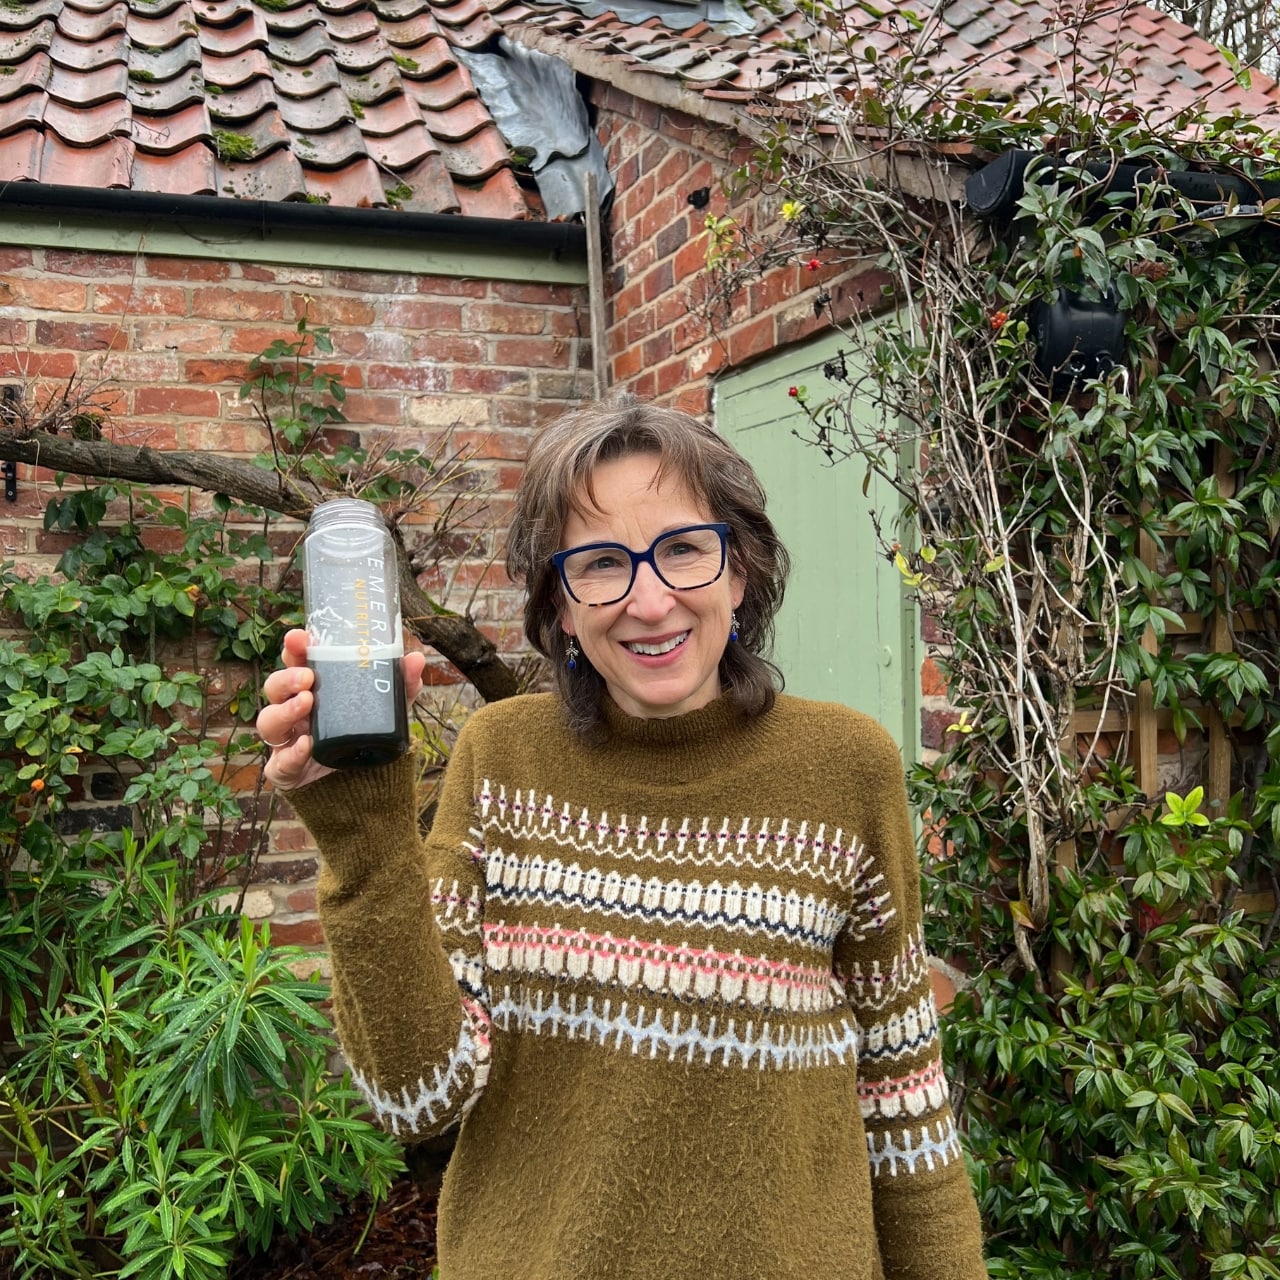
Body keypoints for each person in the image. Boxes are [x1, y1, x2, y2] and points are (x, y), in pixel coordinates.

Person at [258, 399, 987, 1280]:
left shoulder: (845, 770)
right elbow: (418, 1096)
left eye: (683, 548)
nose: (650, 600)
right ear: (561, 606)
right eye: (602, 563)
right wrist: (364, 828)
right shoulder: (501, 763)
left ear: (740, 570)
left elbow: (904, 1110)